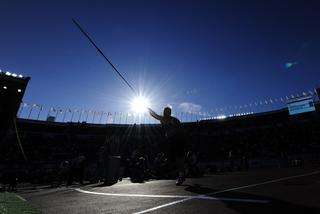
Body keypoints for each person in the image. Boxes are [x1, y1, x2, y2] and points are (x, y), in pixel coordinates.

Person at [148, 107, 187, 185]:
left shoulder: (174, 120)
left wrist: (173, 132)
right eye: (165, 112)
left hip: (179, 140)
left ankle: (181, 174)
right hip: (171, 141)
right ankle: (180, 172)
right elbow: (155, 115)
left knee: (179, 159)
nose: (166, 114)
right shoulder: (163, 119)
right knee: (172, 159)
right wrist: (148, 109)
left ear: (169, 113)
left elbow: (181, 130)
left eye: (168, 112)